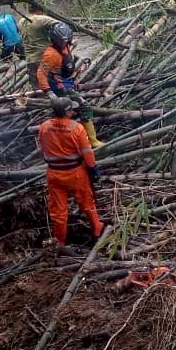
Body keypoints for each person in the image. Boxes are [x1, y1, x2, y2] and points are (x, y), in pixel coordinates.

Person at [38, 96, 103, 246]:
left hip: (54, 173)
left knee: (58, 210)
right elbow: (87, 151)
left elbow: (42, 150)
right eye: (71, 109)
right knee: (87, 201)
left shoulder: (44, 127)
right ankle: (97, 229)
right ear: (67, 111)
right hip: (75, 172)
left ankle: (59, 241)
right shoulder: (77, 128)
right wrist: (93, 168)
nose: (73, 111)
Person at [36, 22, 103, 148]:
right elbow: (41, 73)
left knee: (70, 111)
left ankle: (72, 137)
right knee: (84, 106)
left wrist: (73, 79)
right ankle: (92, 141)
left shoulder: (66, 46)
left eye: (66, 41)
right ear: (55, 40)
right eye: (61, 41)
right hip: (58, 85)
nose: (64, 43)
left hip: (66, 82)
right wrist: (49, 93)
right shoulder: (50, 54)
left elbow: (67, 60)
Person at [20, 2, 57, 86]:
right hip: (44, 57)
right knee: (50, 84)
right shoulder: (41, 19)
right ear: (40, 9)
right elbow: (61, 25)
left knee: (36, 86)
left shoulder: (22, 21)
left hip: (31, 59)